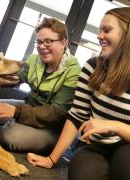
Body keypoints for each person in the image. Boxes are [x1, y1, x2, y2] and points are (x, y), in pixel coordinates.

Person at [27, 7, 130, 180]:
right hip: (95, 145)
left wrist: (114, 126)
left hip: (127, 144)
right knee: (82, 173)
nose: (99, 36)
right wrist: (51, 159)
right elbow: (76, 116)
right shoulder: (92, 67)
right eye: (99, 31)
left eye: (107, 30)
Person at [0, 17, 81, 153]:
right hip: (27, 110)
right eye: (38, 42)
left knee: (11, 136)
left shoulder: (74, 71)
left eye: (48, 41)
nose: (42, 46)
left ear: (64, 43)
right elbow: (15, 78)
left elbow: (56, 113)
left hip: (51, 126)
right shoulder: (34, 59)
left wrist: (16, 112)